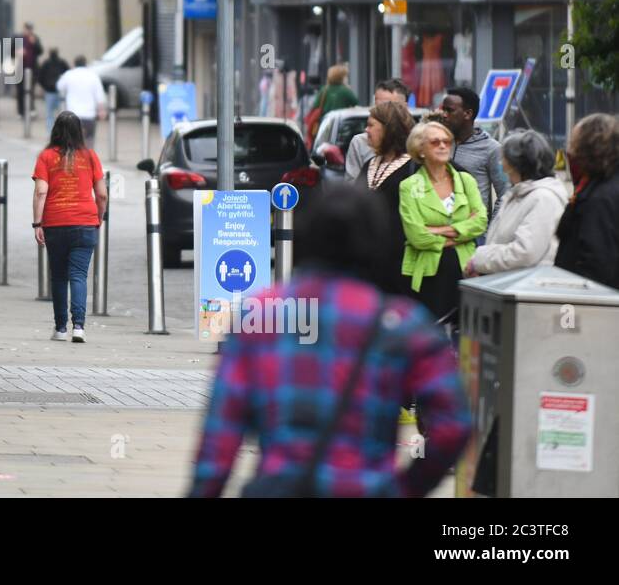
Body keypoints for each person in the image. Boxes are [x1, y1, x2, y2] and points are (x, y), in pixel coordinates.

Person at [188, 184, 472, 497]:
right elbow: (454, 424)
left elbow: (221, 435)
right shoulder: (404, 325)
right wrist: (407, 487)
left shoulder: (259, 316)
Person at [398, 120, 487, 327]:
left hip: (466, 271)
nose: (443, 146)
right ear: (420, 150)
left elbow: (481, 222)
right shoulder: (409, 186)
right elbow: (417, 236)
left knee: (465, 335)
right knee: (432, 334)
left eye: (447, 141)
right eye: (435, 142)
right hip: (429, 276)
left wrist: (438, 230)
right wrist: (462, 233)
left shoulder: (466, 180)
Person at [32, 112, 107, 343]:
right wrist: (99, 217)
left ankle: (60, 328)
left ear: (55, 130)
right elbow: (102, 194)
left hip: (55, 223)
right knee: (78, 275)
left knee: (59, 277)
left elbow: (41, 191)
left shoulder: (46, 157)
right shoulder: (90, 156)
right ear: (79, 132)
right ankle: (79, 327)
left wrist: (37, 223)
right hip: (85, 222)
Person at [465, 131, 568, 276]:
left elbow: (525, 252)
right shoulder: (518, 193)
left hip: (527, 288)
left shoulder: (544, 198)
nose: (500, 163)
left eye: (503, 158)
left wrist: (480, 259)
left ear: (516, 164)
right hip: (505, 283)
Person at [354, 99, 416, 294]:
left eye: (371, 125)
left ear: (389, 129)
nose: (367, 131)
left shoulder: (414, 168)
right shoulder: (369, 165)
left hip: (399, 266)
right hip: (367, 264)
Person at [554, 113, 619, 287]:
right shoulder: (600, 185)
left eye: (574, 144)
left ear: (589, 149)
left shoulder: (600, 198)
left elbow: (597, 263)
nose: (570, 151)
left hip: (588, 303)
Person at [437, 87, 510, 219]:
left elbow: (505, 193)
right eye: (443, 109)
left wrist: (489, 231)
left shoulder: (492, 149)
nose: (444, 114)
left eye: (450, 110)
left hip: (475, 232)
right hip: (440, 230)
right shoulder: (439, 143)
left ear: (468, 114)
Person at [344, 78, 409, 183]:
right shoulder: (361, 143)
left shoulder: (418, 143)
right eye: (378, 106)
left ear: (404, 107)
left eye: (390, 107)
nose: (381, 112)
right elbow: (352, 189)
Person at [55, 54, 106, 142]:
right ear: (85, 64)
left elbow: (59, 87)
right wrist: (101, 110)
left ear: (74, 64)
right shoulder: (93, 76)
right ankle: (88, 155)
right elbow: (99, 95)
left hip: (72, 115)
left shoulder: (69, 75)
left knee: (72, 142)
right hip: (89, 115)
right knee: (89, 140)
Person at [37, 47, 70, 131]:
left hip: (49, 92)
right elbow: (68, 74)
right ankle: (62, 131)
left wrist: (45, 87)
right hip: (60, 92)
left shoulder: (46, 63)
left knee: (49, 114)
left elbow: (40, 77)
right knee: (62, 113)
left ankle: (50, 132)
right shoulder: (62, 63)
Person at [13, 22, 43, 117]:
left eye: (31, 29)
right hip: (20, 68)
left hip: (32, 69)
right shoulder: (17, 38)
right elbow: (10, 52)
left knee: (31, 90)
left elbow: (40, 51)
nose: (29, 31)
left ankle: (31, 109)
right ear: (24, 29)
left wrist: (34, 44)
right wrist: (17, 52)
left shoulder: (35, 38)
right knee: (20, 90)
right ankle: (21, 111)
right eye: (28, 29)